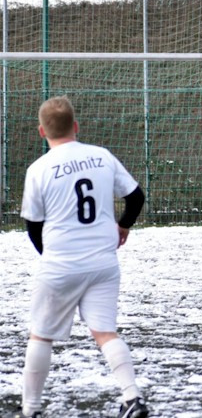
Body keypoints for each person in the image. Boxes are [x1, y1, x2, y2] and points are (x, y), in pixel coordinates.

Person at [7, 96, 149, 418]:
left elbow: (33, 225)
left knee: (41, 335)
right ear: (76, 126)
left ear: (42, 131)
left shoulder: (38, 169)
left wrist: (52, 256)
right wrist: (123, 226)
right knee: (105, 332)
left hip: (61, 264)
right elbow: (136, 196)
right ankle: (132, 398)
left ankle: (30, 410)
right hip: (103, 262)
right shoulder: (101, 156)